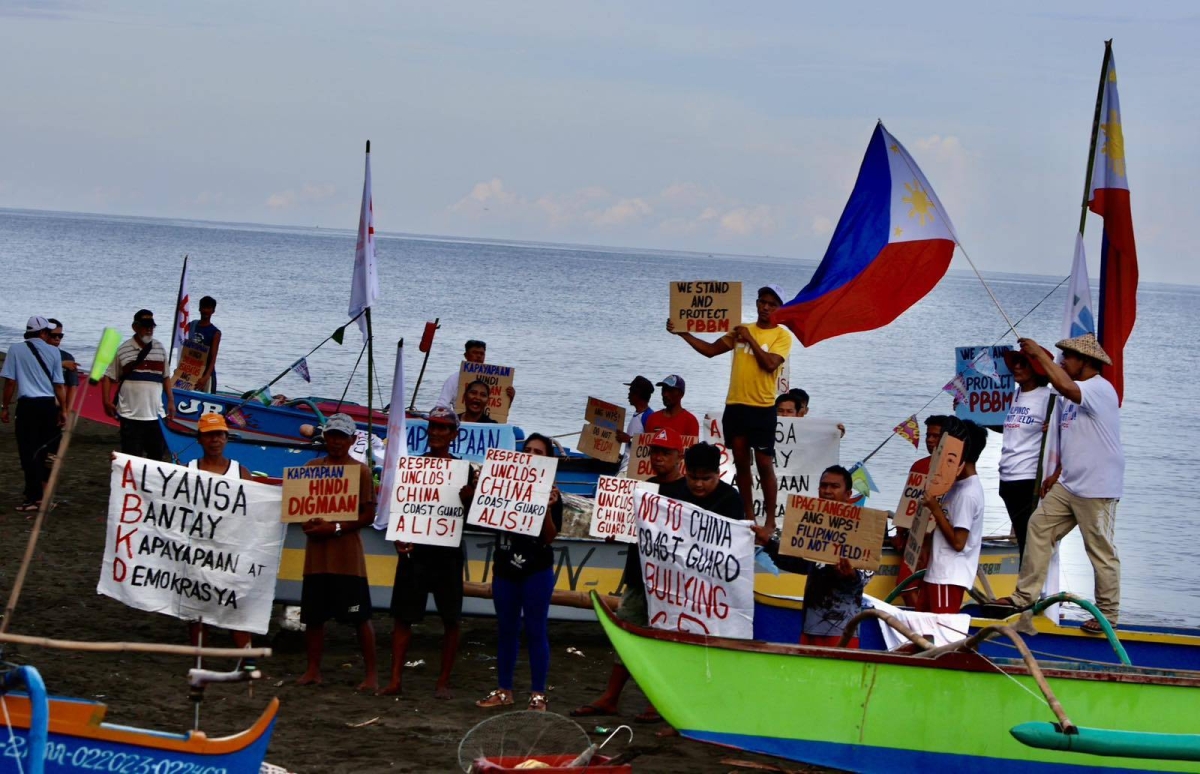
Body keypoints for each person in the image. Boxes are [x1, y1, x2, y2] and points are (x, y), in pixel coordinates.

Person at [990, 334, 1125, 633]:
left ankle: (1108, 615)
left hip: (1098, 486)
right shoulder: (1069, 396)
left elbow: (1063, 384)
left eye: (1068, 358)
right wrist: (1056, 473)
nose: (1063, 362)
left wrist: (1039, 354)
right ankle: (1024, 597)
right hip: (1069, 483)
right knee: (1038, 527)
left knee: (1099, 550)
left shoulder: (1099, 389)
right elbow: (1069, 437)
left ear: (1086, 362)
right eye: (1061, 357)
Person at [572, 427, 685, 721]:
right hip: (638, 577)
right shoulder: (642, 489)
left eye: (665, 453)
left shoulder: (686, 494)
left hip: (671, 583)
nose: (659, 458)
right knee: (626, 635)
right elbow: (629, 530)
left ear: (678, 456)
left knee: (663, 640)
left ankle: (656, 701)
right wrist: (614, 531)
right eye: (655, 452)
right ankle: (611, 697)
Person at [669, 285, 791, 537]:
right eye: (762, 302)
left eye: (772, 304)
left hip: (762, 407)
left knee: (765, 463)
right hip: (736, 405)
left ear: (779, 308)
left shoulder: (781, 335)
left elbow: (770, 365)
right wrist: (683, 333)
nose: (766, 307)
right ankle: (748, 517)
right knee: (742, 463)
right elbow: (711, 350)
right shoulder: (740, 329)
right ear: (757, 303)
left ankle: (770, 521)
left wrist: (749, 339)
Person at [382, 405, 466, 698]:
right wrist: (397, 538)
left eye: (443, 427)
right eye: (433, 426)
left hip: (448, 552)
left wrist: (469, 496)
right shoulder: (413, 467)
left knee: (451, 618)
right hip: (416, 551)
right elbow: (401, 509)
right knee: (402, 617)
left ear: (454, 434)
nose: (436, 432)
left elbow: (471, 515)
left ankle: (443, 681)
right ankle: (395, 680)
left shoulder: (464, 470)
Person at [475, 433, 563, 712]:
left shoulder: (553, 493)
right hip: (505, 567)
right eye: (527, 450)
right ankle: (504, 690)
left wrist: (548, 509)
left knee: (536, 630)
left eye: (538, 451)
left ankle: (538, 694)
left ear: (548, 459)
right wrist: (482, 492)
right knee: (506, 629)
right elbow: (484, 520)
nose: (531, 455)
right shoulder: (502, 487)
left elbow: (550, 537)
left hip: (537, 568)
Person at [296, 413, 378, 690]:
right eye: (332, 435)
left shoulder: (362, 472)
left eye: (342, 437)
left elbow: (369, 515)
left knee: (360, 618)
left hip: (348, 559)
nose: (336, 441)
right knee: (313, 618)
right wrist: (310, 524)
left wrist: (337, 527)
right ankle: (312, 670)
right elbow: (299, 509)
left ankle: (371, 675)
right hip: (316, 558)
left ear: (352, 440)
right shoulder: (311, 467)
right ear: (325, 437)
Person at [765, 466, 868, 646]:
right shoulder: (813, 528)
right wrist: (767, 544)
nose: (827, 491)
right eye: (823, 486)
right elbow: (798, 564)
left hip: (844, 631)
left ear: (848, 494)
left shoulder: (863, 528)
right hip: (810, 626)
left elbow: (863, 579)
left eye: (834, 486)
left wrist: (850, 576)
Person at [186, 412, 254, 650]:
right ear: (199, 439)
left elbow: (257, 509)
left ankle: (246, 659)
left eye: (220, 435)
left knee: (237, 608)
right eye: (209, 435)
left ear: (226, 438)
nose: (215, 440)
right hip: (199, 551)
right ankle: (198, 655)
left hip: (231, 552)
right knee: (197, 609)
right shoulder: (189, 470)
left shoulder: (241, 472)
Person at [918, 421, 987, 614]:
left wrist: (935, 509)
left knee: (941, 635)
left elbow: (959, 542)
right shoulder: (955, 486)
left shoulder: (968, 493)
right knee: (919, 631)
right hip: (937, 572)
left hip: (949, 576)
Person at [1, 316, 67, 512]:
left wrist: (5, 406)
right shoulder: (54, 352)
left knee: (27, 451)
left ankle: (32, 498)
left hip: (27, 405)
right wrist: (63, 409)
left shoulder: (15, 350)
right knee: (46, 450)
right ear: (44, 333)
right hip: (47, 405)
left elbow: (10, 382)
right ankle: (41, 498)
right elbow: (59, 385)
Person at [996, 347, 1054, 560]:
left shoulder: (1049, 398)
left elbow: (1067, 430)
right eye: (1016, 362)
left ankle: (1031, 588)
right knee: (1022, 537)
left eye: (1024, 363)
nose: (1017, 367)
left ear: (1037, 369)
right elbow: (1007, 426)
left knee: (1030, 538)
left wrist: (1053, 426)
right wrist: (971, 410)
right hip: (1007, 476)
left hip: (1028, 478)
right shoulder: (1014, 395)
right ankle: (1026, 587)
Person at [101, 309, 174, 460]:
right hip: (130, 415)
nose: (149, 329)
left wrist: (171, 401)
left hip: (156, 415)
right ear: (135, 327)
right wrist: (106, 401)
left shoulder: (160, 348)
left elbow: (166, 377)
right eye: (145, 326)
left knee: (157, 457)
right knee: (132, 458)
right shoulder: (123, 349)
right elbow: (108, 376)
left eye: (151, 326)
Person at [892, 414, 948, 607]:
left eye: (936, 436)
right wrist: (901, 533)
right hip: (915, 537)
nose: (930, 440)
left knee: (930, 588)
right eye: (928, 436)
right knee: (906, 586)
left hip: (939, 538)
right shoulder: (919, 466)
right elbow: (908, 504)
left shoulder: (955, 470)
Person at [435, 339, 516, 410]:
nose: (478, 356)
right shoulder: (454, 379)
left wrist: (508, 399)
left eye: (481, 354)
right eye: (475, 353)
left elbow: (497, 411)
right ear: (466, 355)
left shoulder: (495, 380)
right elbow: (442, 405)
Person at [187, 296, 222, 393]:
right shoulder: (191, 326)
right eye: (203, 307)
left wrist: (206, 377)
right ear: (199, 308)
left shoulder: (215, 333)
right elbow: (184, 348)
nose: (205, 311)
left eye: (209, 308)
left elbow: (213, 358)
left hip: (206, 374)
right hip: (190, 371)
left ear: (213, 311)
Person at [47, 319, 78, 413]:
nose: (57, 338)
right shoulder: (35, 355)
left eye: (60, 336)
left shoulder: (67, 357)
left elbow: (72, 386)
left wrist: (66, 411)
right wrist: (61, 364)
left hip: (58, 404)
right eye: (54, 335)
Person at [616, 375, 655, 444]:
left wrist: (628, 440)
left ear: (638, 394)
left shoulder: (649, 416)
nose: (628, 394)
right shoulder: (637, 414)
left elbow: (651, 442)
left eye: (631, 391)